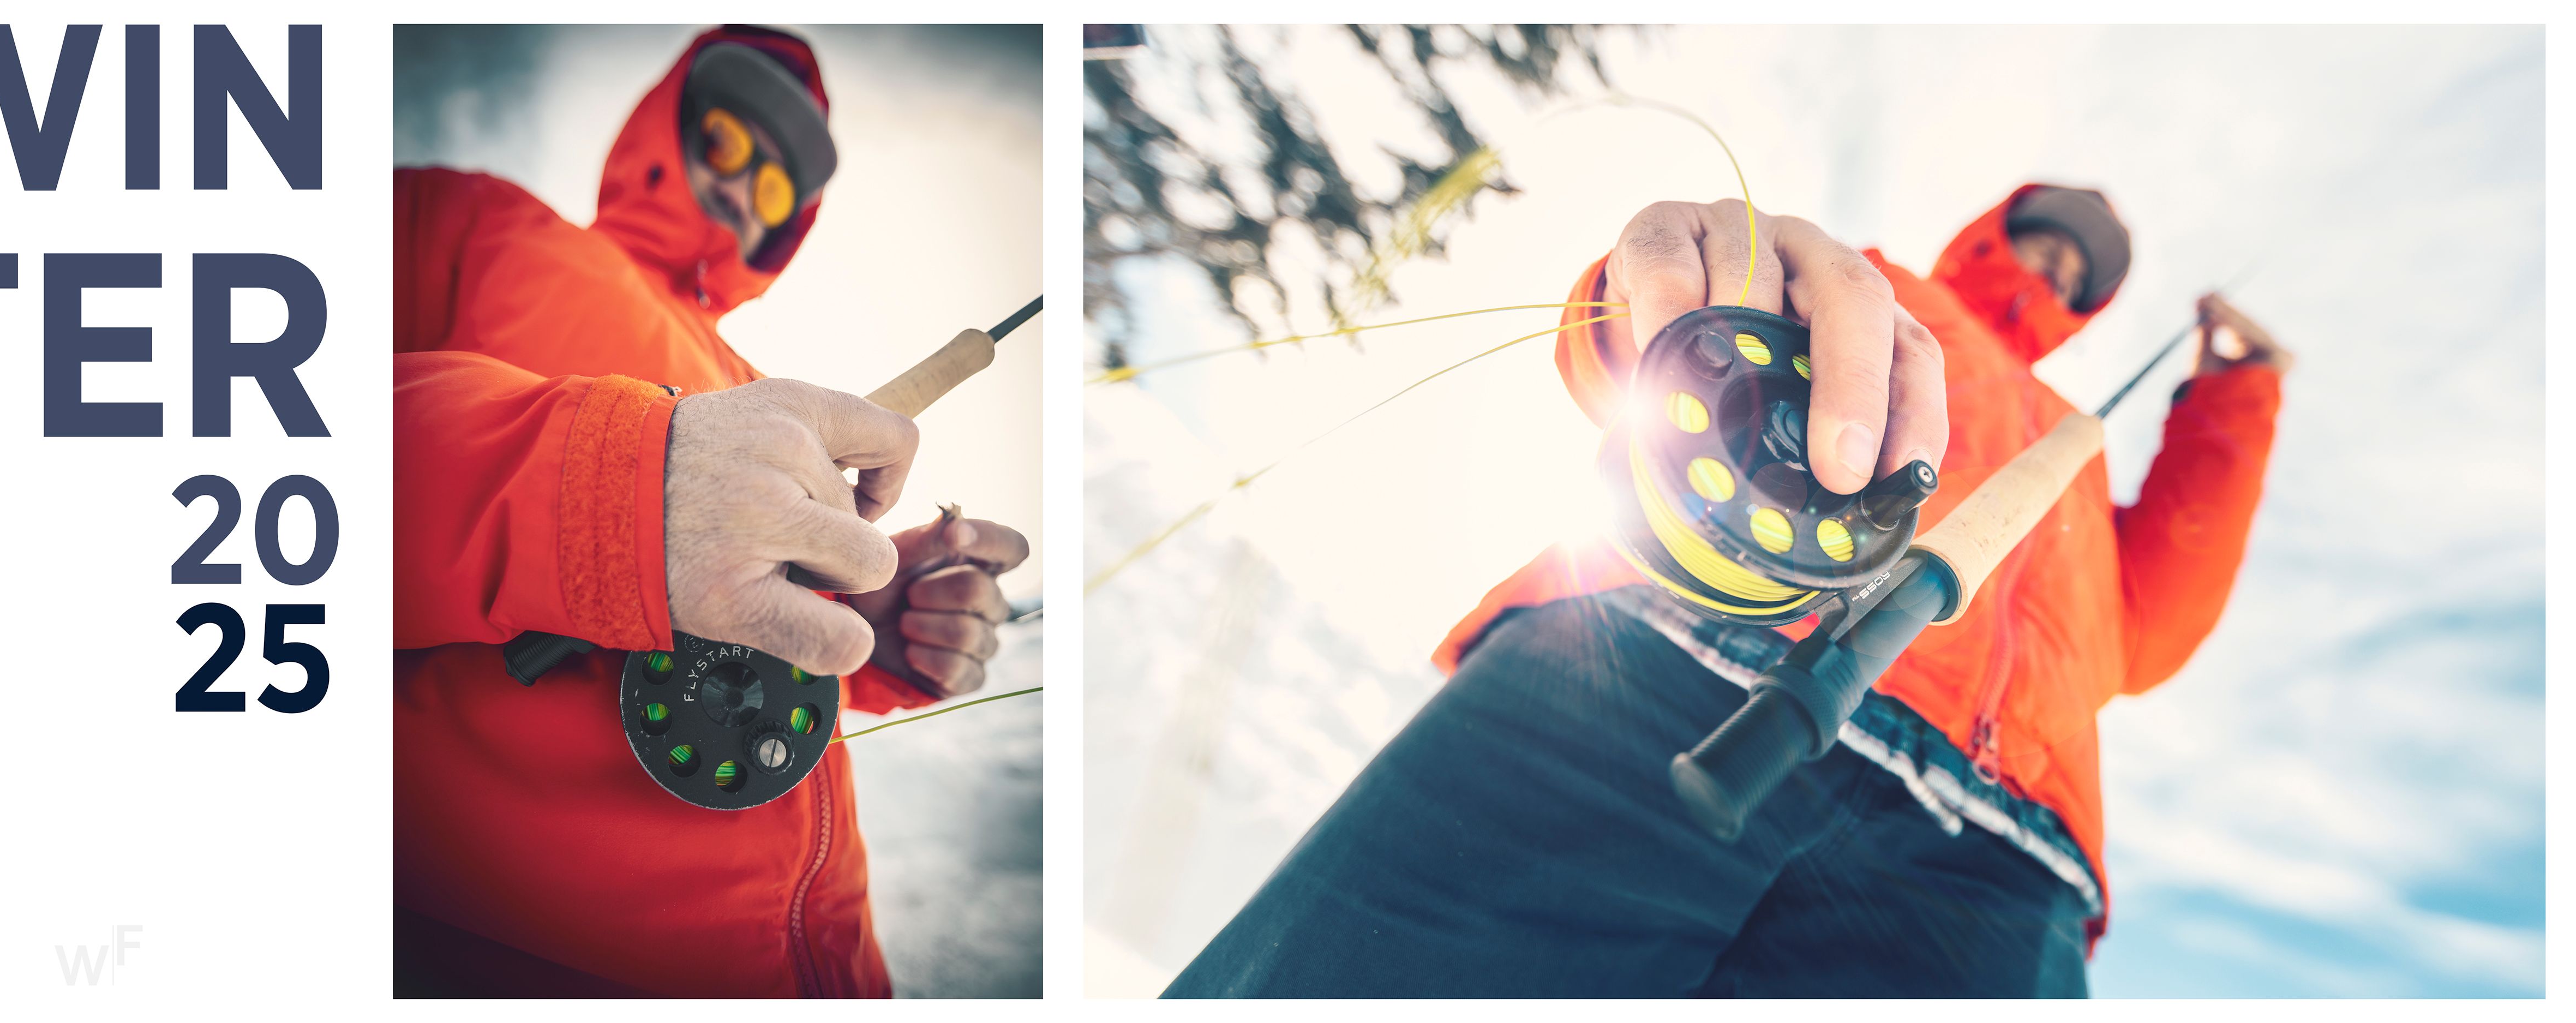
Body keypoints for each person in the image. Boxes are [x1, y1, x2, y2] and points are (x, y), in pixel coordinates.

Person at [1166, 187, 2289, 997]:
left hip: (1992, 848)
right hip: (1650, 672)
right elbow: (1661, 365)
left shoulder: (2076, 459)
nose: (2049, 275)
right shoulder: (1871, 285)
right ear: (1992, 233)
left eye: (2072, 275)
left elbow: (2150, 629)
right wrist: (1659, 294)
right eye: (2039, 246)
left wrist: (2236, 394)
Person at [392, 27, 1028, 997]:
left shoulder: (753, 387)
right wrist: (611, 496)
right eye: (729, 143)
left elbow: (719, 623)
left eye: (777, 188)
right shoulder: (470, 222)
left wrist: (854, 624)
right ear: (668, 122)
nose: (742, 188)